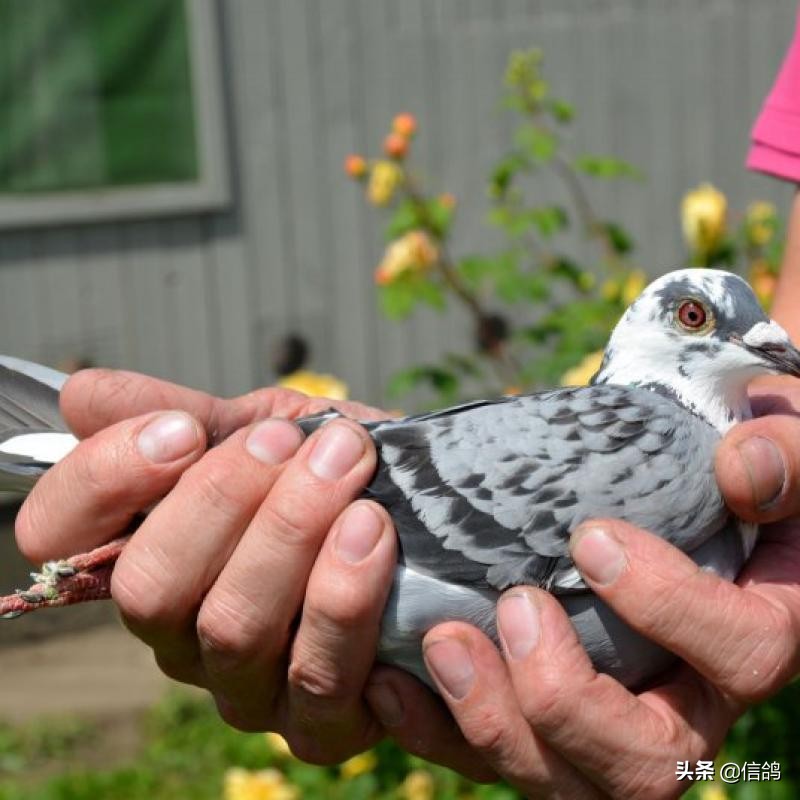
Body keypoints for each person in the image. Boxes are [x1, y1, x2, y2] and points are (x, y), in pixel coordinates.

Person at [15, 22, 800, 800]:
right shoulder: (675, 448)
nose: (758, 340)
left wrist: (720, 772)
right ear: (655, 334)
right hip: (371, 523)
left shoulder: (701, 459)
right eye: (697, 320)